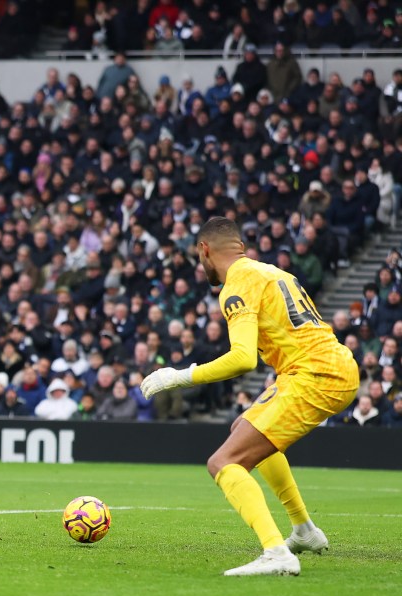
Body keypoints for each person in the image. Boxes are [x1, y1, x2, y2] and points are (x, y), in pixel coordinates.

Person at [141, 217, 358, 576]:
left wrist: (179, 376)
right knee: (245, 425)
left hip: (315, 374)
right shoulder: (270, 271)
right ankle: (304, 531)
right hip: (327, 365)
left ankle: (276, 554)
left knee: (223, 462)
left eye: (200, 258)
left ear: (204, 250)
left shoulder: (237, 283)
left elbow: (243, 358)